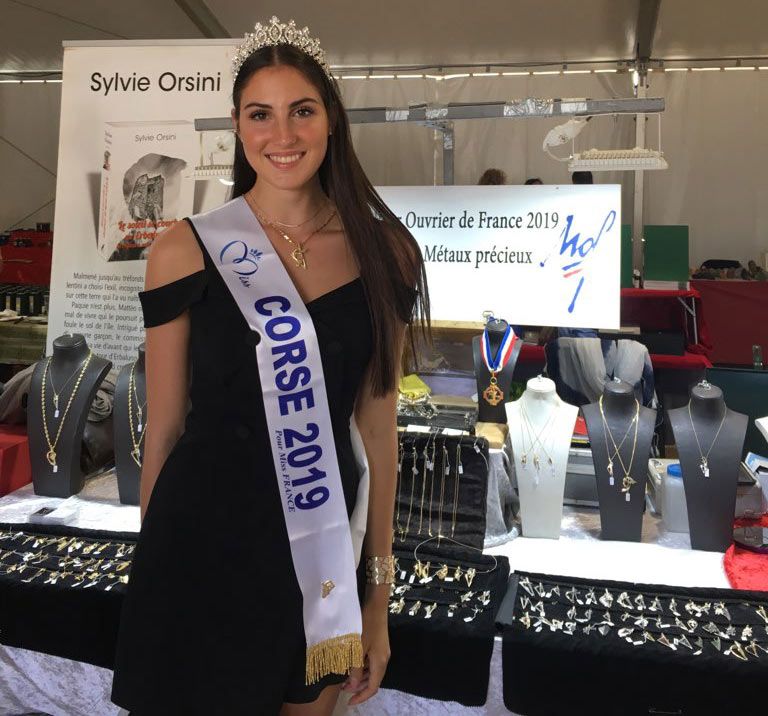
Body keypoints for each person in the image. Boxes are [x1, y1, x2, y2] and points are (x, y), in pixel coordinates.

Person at [111, 16, 429, 716]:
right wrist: (155, 573)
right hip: (200, 546)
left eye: (301, 112)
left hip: (316, 550)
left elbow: (378, 433)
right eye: (261, 114)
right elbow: (162, 435)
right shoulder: (184, 250)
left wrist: (378, 596)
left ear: (331, 119)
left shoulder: (388, 252)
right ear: (237, 124)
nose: (282, 136)